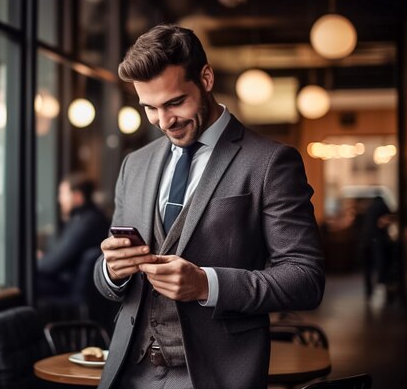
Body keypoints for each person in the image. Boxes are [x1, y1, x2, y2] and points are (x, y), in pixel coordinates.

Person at [93, 24, 325, 389]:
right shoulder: (133, 164)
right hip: (128, 373)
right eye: (149, 108)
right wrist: (111, 270)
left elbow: (305, 279)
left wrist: (206, 284)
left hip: (217, 375)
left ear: (206, 77)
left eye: (174, 102)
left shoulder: (270, 162)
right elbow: (108, 278)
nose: (164, 121)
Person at [37, 172, 109, 298]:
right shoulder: (87, 218)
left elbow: (53, 264)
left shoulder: (86, 222)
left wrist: (36, 261)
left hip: (71, 290)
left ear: (77, 196)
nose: (59, 199)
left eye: (63, 194)